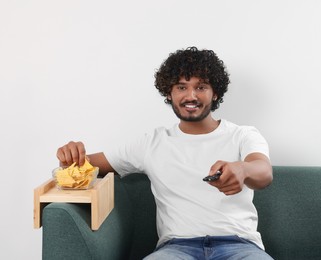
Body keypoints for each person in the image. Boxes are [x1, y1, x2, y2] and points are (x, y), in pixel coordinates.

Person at [56, 47, 274, 260]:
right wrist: (70, 155)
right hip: (177, 249)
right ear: (169, 93)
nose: (191, 96)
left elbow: (263, 172)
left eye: (201, 87)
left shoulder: (243, 135)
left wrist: (243, 169)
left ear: (215, 92)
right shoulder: (151, 143)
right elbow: (84, 165)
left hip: (239, 246)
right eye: (181, 87)